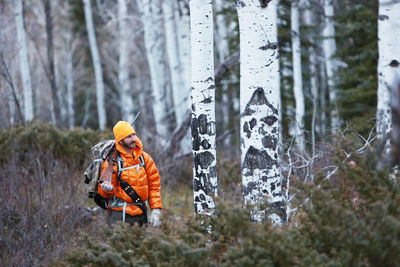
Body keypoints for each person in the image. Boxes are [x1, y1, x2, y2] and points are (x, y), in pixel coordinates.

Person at [98, 120, 162, 227]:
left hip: (141, 213)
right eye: (128, 137)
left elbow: (154, 185)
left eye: (133, 135)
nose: (133, 139)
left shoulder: (144, 158)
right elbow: (105, 193)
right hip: (118, 216)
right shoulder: (111, 163)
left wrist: (156, 209)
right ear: (120, 140)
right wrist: (107, 190)